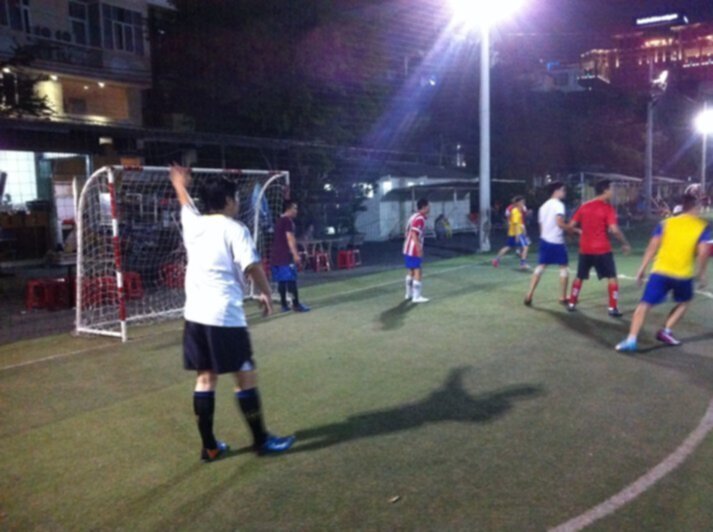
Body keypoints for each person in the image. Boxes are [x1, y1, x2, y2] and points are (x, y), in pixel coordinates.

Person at [169, 165, 295, 462]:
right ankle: (262, 441)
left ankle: (210, 447)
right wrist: (266, 292)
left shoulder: (194, 223)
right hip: (224, 315)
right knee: (245, 375)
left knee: (205, 378)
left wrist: (178, 183)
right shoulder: (234, 229)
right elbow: (252, 266)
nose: (238, 202)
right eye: (236, 198)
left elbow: (185, 203)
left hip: (195, 316)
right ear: (226, 200)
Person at [616, 193, 710, 352]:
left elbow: (652, 247)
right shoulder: (702, 226)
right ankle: (666, 331)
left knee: (644, 305)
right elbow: (703, 253)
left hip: (660, 271)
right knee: (684, 302)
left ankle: (631, 340)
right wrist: (701, 274)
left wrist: (641, 269)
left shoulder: (666, 223)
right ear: (696, 207)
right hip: (683, 274)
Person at [567, 179, 631, 317]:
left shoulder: (584, 206)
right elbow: (614, 229)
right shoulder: (607, 208)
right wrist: (624, 243)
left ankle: (572, 302)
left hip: (585, 249)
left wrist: (574, 236)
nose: (612, 192)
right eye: (611, 189)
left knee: (579, 276)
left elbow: (571, 225)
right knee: (612, 277)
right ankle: (612, 308)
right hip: (602, 249)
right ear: (605, 190)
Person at [524, 182, 574, 306]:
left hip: (544, 240)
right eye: (563, 190)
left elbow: (541, 227)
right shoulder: (559, 205)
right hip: (557, 241)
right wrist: (573, 229)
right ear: (556, 191)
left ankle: (529, 294)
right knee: (564, 267)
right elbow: (560, 223)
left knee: (541, 266)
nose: (564, 192)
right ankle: (562, 297)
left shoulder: (543, 206)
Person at [271, 200, 310, 313]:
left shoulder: (279, 221)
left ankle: (284, 305)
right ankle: (296, 304)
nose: (296, 211)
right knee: (291, 281)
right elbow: (290, 238)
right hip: (285, 256)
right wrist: (295, 254)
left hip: (275, 256)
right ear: (288, 209)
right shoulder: (288, 221)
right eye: (295, 208)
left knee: (281, 281)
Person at [404, 198, 430, 303]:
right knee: (418, 270)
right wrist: (418, 247)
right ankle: (416, 297)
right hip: (413, 248)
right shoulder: (420, 218)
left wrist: (408, 242)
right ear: (424, 207)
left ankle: (408, 294)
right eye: (428, 206)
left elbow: (406, 231)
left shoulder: (413, 216)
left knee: (411, 270)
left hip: (407, 247)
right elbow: (414, 233)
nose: (429, 208)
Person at [492, 196, 530, 270]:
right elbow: (515, 224)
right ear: (518, 203)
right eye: (522, 202)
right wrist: (517, 235)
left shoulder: (519, 210)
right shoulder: (515, 211)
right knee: (525, 247)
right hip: (516, 233)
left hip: (514, 232)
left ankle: (496, 260)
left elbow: (519, 222)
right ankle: (523, 264)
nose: (523, 203)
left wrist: (523, 228)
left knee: (508, 247)